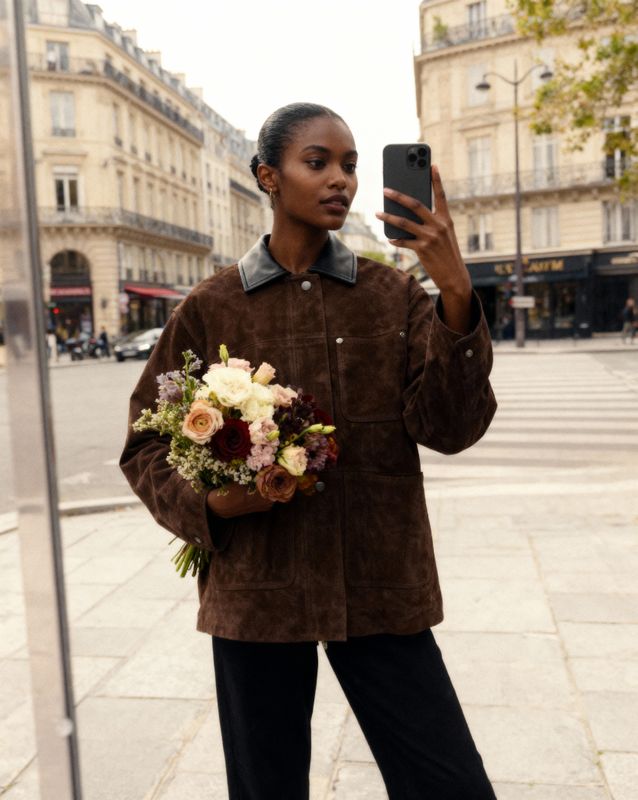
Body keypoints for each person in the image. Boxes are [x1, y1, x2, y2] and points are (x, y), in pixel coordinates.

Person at [120, 103, 498, 800]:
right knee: (267, 791)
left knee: (450, 785)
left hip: (380, 585)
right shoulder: (211, 305)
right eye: (317, 162)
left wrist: (454, 293)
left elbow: (452, 427)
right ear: (268, 176)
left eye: (350, 166)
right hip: (258, 594)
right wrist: (210, 502)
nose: (341, 181)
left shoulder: (395, 296)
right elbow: (146, 442)